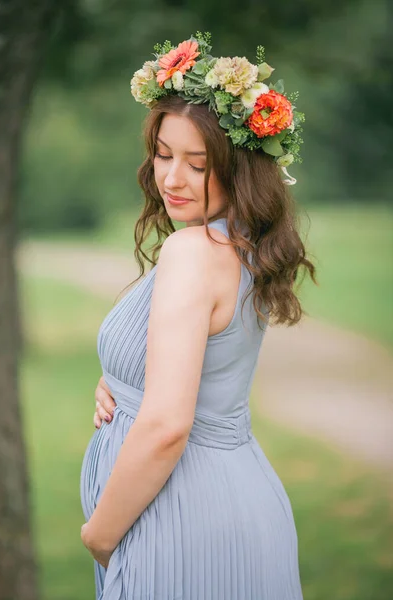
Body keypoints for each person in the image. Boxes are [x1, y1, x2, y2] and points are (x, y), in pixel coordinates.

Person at [80, 31, 317, 599]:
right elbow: (199, 371)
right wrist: (121, 381)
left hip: (181, 516)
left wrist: (100, 536)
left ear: (239, 168)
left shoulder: (191, 253)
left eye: (197, 163)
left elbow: (167, 427)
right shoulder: (242, 247)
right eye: (163, 155)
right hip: (238, 502)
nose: (171, 179)